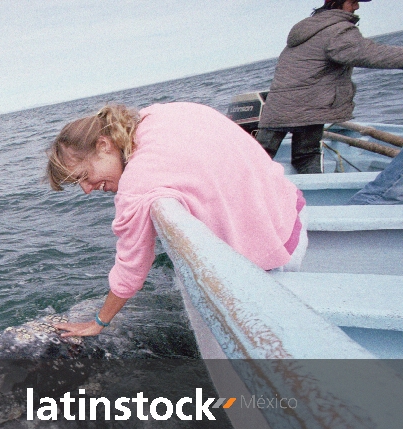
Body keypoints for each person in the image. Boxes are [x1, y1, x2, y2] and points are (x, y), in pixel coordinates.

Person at [47, 102, 307, 338]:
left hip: (273, 255)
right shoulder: (158, 115)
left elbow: (131, 266)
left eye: (83, 175)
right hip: (291, 214)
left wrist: (98, 322)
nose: (86, 189)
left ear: (103, 145)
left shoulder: (137, 182)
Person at [256, 0, 403, 174]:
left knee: (256, 158)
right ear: (337, 2)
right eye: (353, 2)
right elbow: (370, 54)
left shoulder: (308, 29)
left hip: (278, 108)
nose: (357, 7)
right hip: (309, 108)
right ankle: (310, 196)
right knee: (306, 156)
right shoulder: (338, 30)